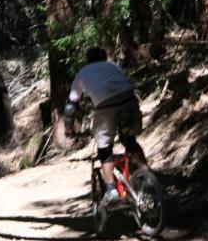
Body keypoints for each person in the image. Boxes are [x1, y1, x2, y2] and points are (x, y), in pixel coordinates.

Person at [63, 47, 148, 207]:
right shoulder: (113, 66)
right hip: (129, 100)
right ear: (103, 57)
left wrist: (68, 127)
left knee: (105, 150)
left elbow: (71, 105)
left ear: (87, 60)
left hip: (106, 107)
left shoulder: (82, 73)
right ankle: (148, 175)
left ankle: (111, 190)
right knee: (130, 141)